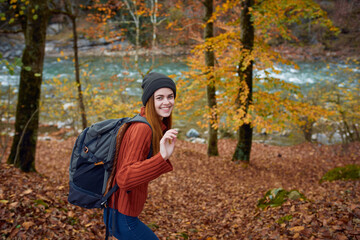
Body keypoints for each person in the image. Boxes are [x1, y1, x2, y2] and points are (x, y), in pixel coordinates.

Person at [103, 72, 178, 240]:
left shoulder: (154, 125)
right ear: (149, 101)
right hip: (121, 216)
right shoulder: (142, 129)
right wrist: (161, 158)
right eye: (159, 98)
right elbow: (124, 177)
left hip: (118, 212)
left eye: (170, 96)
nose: (166, 102)